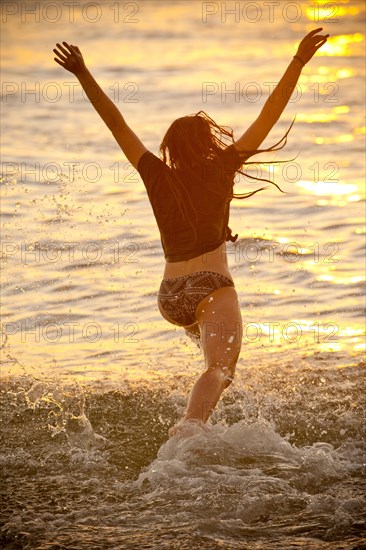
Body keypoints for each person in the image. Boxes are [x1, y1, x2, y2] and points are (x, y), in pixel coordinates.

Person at [53, 28, 329, 436]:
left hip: (169, 297)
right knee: (221, 369)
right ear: (207, 142)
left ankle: (197, 410)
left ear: (169, 149)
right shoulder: (222, 168)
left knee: (211, 358)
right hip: (210, 286)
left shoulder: (154, 173)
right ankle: (190, 426)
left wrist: (82, 73)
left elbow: (116, 123)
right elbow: (268, 115)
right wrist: (299, 60)